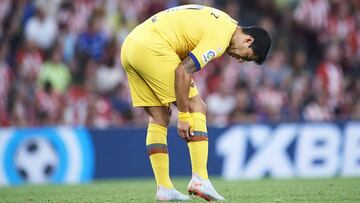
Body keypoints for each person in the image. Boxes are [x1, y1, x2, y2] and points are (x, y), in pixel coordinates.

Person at [120, 4, 271, 201]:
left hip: (131, 46)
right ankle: (200, 178)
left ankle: (164, 188)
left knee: (159, 116)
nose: (240, 60)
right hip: (152, 46)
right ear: (248, 40)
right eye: (247, 56)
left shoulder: (221, 20)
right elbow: (183, 71)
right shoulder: (222, 36)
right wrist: (184, 115)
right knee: (197, 106)